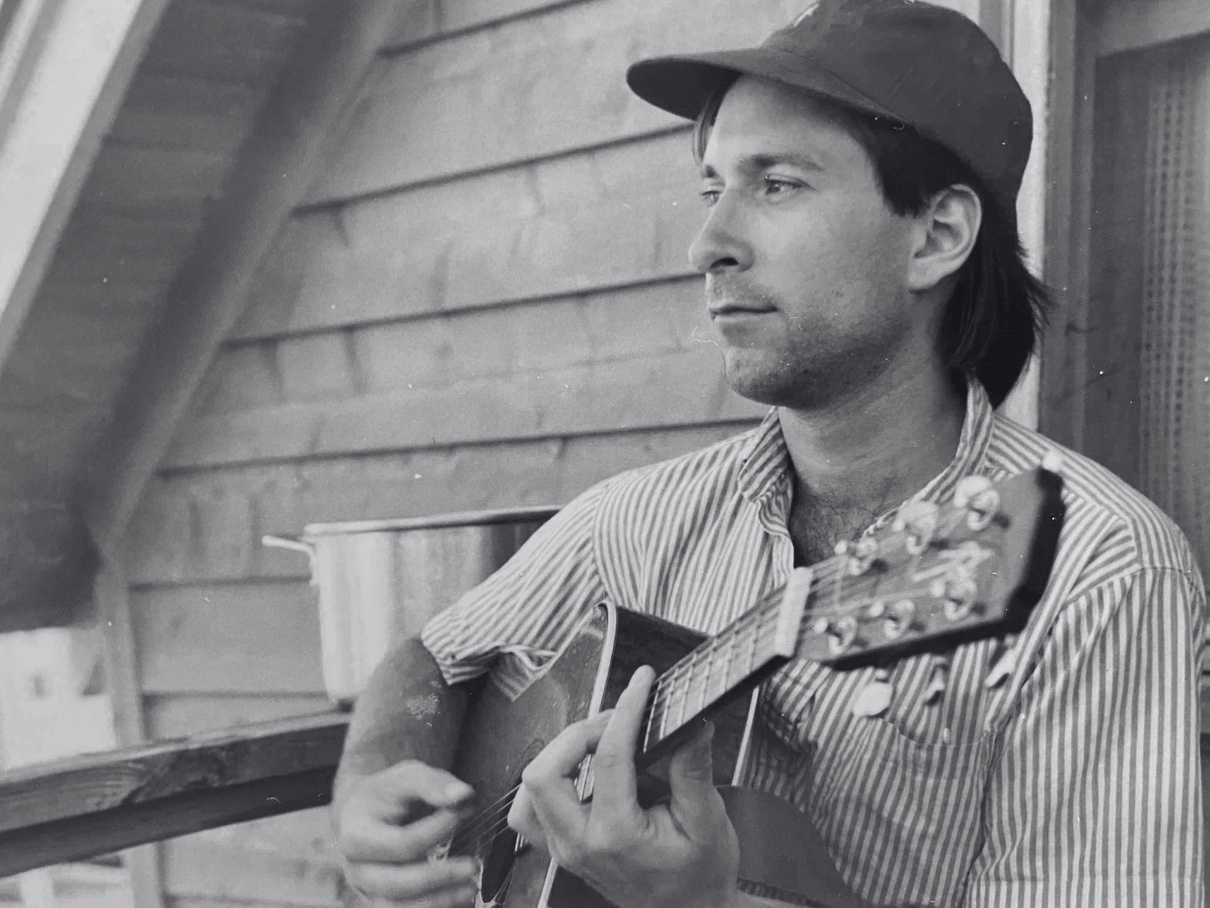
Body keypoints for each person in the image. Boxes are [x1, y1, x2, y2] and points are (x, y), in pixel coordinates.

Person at [331, 1, 1207, 906]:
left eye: (776, 185)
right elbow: (432, 658)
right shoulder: (638, 519)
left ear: (937, 236)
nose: (706, 244)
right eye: (714, 190)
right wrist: (371, 782)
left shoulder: (1097, 571)